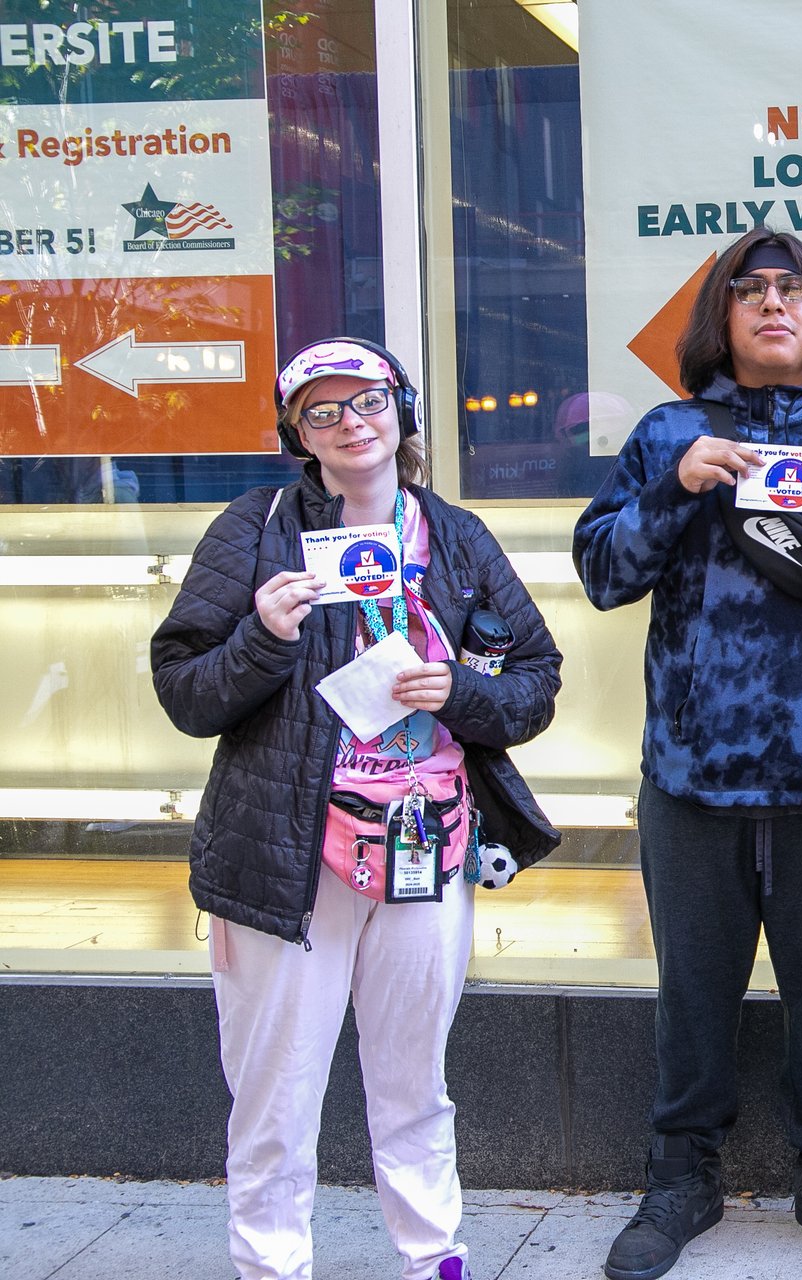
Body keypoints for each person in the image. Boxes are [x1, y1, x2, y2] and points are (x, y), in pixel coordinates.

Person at [573, 227, 802, 1280]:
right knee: (692, 987)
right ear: (721, 315)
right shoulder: (666, 431)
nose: (775, 304)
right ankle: (680, 1173)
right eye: (752, 289)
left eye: (795, 290)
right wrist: (674, 484)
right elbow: (603, 571)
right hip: (692, 774)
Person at [151, 338, 563, 1280]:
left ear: (402, 408)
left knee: (416, 1086)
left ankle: (434, 1260)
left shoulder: (455, 536)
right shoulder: (254, 531)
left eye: (366, 400)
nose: (350, 423)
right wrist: (261, 635)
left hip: (425, 846)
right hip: (285, 860)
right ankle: (271, 1266)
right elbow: (184, 692)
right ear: (299, 434)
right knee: (274, 1096)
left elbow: (536, 685)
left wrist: (456, 689)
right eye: (322, 412)